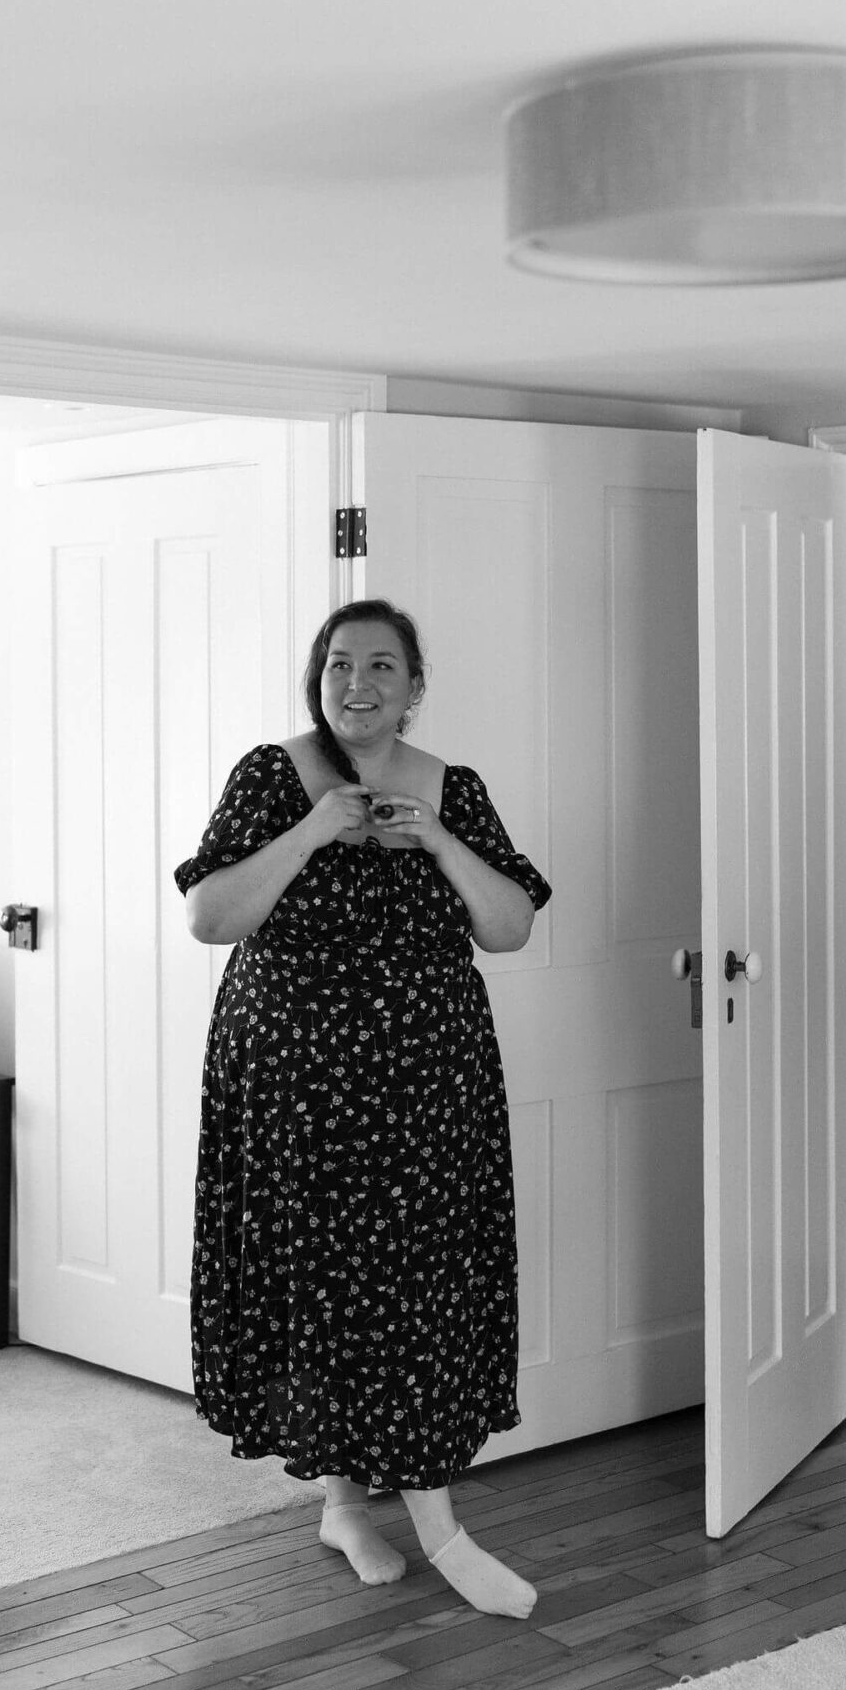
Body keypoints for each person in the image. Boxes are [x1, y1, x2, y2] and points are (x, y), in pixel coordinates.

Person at [174, 598, 551, 1618]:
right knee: (324, 1283)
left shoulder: (452, 789)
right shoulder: (270, 774)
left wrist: (437, 841)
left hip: (428, 1088)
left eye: (383, 666)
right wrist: (313, 829)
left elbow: (510, 925)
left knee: (415, 1282)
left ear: (415, 686)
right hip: (296, 1086)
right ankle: (396, 1516)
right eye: (340, 664)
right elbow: (213, 914)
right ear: (318, 676)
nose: (359, 684)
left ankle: (382, 1509)